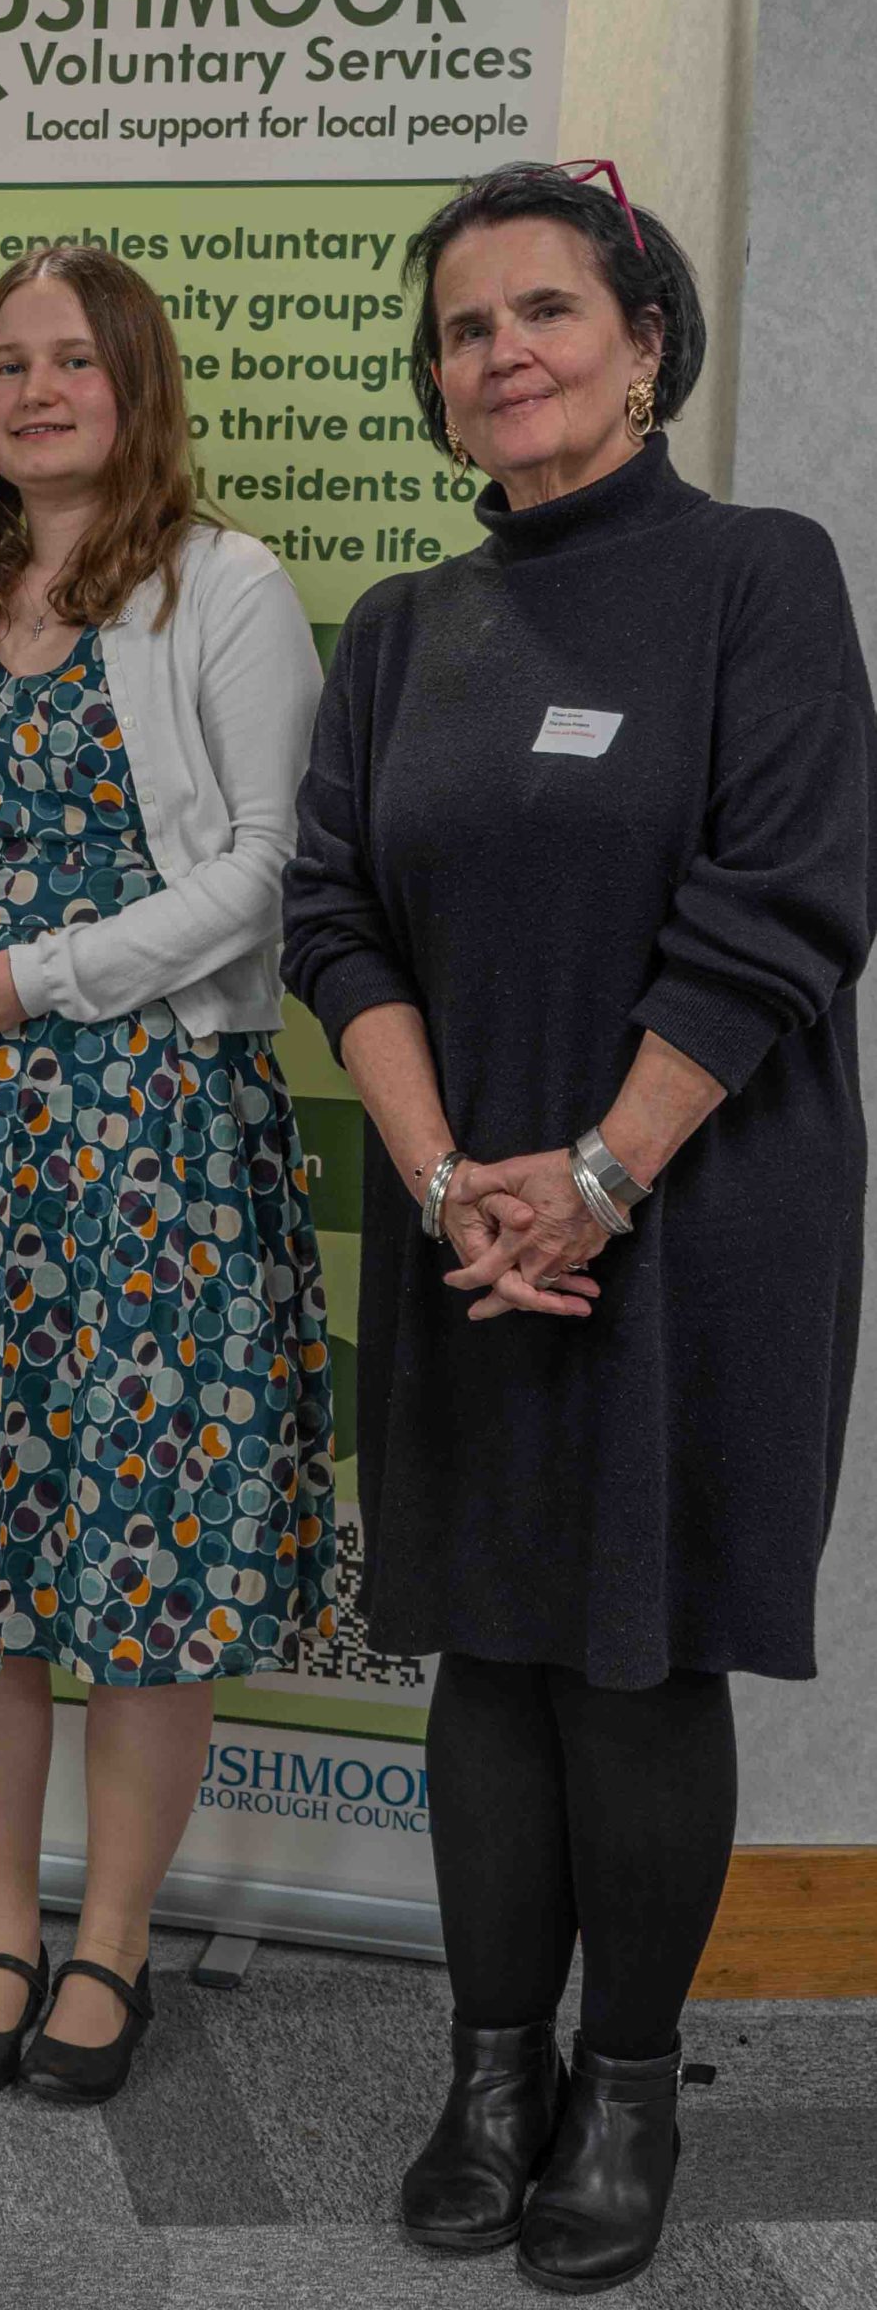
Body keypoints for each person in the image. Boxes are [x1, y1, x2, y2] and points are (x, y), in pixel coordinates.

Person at [282, 160, 876, 2292]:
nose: (500, 351)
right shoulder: (399, 630)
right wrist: (454, 1178)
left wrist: (603, 1173)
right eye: (464, 328)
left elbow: (787, 901)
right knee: (487, 1640)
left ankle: (626, 2086)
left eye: (544, 309)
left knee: (635, 1649)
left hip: (699, 1209)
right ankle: (489, 2072)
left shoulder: (757, 575)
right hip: (467, 1221)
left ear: (644, 341)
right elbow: (333, 917)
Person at [0, 243, 333, 2105]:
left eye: (74, 362)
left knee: (142, 1554)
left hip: (153, 1140)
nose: (36, 392)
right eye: (8, 363)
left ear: (137, 388)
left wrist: (38, 977)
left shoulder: (222, 586)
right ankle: (3, 1930)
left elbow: (263, 866)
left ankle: (111, 1943)